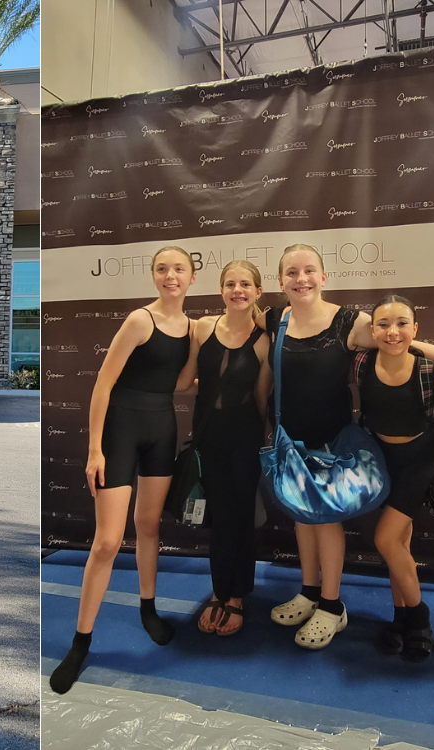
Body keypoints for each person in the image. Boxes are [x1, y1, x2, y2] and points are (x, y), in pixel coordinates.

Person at [262, 245, 434, 651]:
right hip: (291, 439)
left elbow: (400, 341)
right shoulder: (274, 320)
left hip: (332, 437)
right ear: (281, 282)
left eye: (309, 270)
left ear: (324, 276)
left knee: (326, 518)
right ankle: (309, 592)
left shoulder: (348, 320)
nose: (301, 279)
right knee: (302, 517)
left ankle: (332, 605)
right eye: (292, 272)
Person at [50, 246, 199, 694]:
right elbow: (104, 382)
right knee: (107, 542)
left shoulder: (192, 329)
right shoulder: (140, 320)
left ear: (192, 277)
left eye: (179, 269)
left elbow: (183, 382)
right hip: (120, 430)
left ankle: (148, 608)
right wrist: (95, 449)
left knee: (149, 525)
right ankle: (80, 642)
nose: (170, 276)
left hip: (162, 428)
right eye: (162, 269)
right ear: (153, 275)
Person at [355, 296, 434, 660]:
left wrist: (411, 344)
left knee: (386, 539)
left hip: (419, 460)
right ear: (371, 329)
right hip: (381, 459)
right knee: (399, 546)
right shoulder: (361, 362)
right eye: (384, 324)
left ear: (416, 329)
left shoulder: (427, 368)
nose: (393, 332)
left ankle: (420, 619)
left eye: (403, 324)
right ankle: (401, 618)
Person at [189, 260, 270, 637]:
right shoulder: (202, 327)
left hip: (244, 435)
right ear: (221, 290)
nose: (238, 290)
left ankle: (237, 596)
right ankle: (220, 590)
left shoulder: (265, 339)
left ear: (257, 292)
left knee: (241, 516)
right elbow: (187, 378)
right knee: (220, 517)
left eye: (245, 284)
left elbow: (261, 397)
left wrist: (262, 440)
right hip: (208, 434)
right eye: (230, 283)